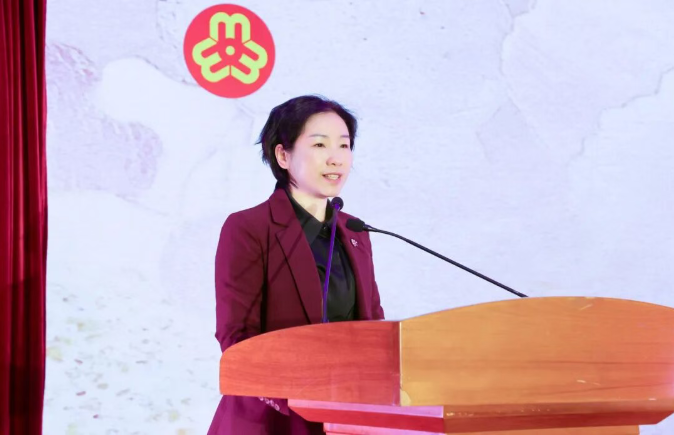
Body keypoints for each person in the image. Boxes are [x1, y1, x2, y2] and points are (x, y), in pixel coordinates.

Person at [207, 95, 385, 435]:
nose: (336, 158)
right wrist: (299, 399)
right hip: (272, 420)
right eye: (319, 144)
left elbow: (373, 328)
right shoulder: (249, 228)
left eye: (344, 145)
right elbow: (237, 337)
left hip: (346, 419)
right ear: (283, 155)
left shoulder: (355, 232)